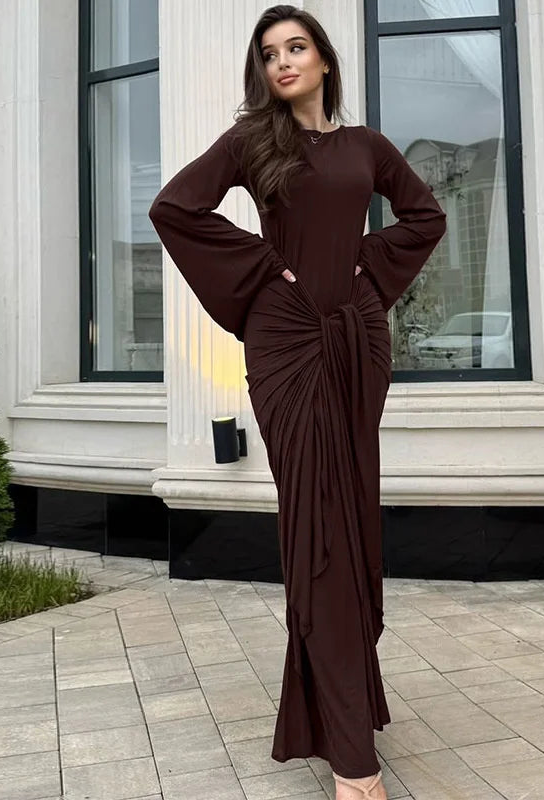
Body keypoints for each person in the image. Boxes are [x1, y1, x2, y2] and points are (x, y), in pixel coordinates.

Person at [148, 5, 446, 798]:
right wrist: (263, 270)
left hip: (356, 345)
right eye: (270, 53)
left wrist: (366, 269)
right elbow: (174, 208)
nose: (282, 61)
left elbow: (426, 215)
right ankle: (354, 764)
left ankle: (337, 709)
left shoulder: (368, 147)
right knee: (319, 532)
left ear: (323, 59)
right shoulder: (254, 141)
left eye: (296, 47)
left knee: (351, 525)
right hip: (286, 348)